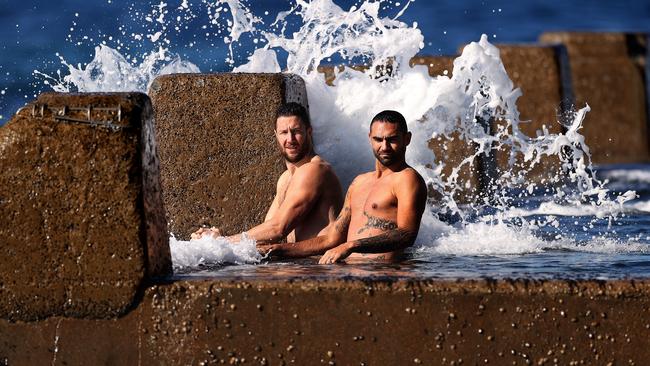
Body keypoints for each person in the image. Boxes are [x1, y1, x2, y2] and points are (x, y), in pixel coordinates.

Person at [259, 110, 427, 263]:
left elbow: (406, 234)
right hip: (349, 273)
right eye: (378, 139)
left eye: (392, 140)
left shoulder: (407, 179)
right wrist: (280, 250)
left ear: (407, 139)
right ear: (370, 138)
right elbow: (331, 239)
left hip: (382, 273)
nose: (384, 147)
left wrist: (351, 245)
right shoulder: (359, 182)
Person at [192, 102, 343, 243]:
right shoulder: (285, 178)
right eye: (284, 132)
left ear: (309, 132)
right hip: (300, 264)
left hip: (320, 266)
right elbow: (266, 235)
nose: (290, 139)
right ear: (276, 135)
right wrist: (215, 238)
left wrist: (221, 242)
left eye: (296, 132)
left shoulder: (314, 170)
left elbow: (277, 229)